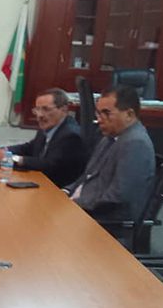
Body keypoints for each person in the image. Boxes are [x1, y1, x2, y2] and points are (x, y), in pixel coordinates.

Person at [66, 86, 156, 223]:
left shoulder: (136, 144)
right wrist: (66, 191)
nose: (99, 120)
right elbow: (87, 176)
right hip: (83, 205)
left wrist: (76, 205)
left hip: (104, 220)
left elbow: (117, 197)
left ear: (129, 114)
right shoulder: (110, 137)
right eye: (98, 113)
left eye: (106, 113)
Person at [0, 88, 88, 188]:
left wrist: (13, 158)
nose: (40, 115)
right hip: (41, 180)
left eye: (46, 109)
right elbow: (30, 147)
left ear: (64, 110)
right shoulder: (49, 125)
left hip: (57, 189)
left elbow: (50, 164)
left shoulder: (71, 135)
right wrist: (4, 150)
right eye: (37, 109)